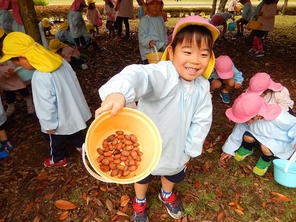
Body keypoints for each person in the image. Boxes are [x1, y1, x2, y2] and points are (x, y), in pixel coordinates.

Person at [96, 15, 220, 221]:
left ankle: (167, 193)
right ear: (171, 52)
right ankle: (140, 200)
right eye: (187, 52)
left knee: (172, 172)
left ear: (210, 58)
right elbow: (139, 75)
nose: (195, 60)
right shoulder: (164, 74)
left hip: (177, 146)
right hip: (144, 144)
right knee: (143, 174)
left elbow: (202, 119)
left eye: (203, 54)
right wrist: (119, 91)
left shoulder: (202, 86)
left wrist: (191, 147)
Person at [0, 32, 92, 167]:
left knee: (54, 140)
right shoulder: (60, 61)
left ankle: (58, 159)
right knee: (75, 128)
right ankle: (82, 147)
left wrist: (49, 124)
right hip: (73, 109)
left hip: (57, 119)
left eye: (16, 62)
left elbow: (46, 105)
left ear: (23, 58)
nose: (19, 66)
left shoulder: (40, 76)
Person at [219, 93, 296, 176]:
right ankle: (247, 148)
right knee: (247, 137)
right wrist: (229, 149)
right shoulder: (250, 114)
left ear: (257, 116)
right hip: (258, 134)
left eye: (245, 119)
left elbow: (294, 125)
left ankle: (265, 160)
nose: (243, 121)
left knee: (265, 148)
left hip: (278, 139)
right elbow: (238, 131)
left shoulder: (278, 116)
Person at [0, 28, 34, 116]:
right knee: (9, 94)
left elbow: (16, 60)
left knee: (23, 91)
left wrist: (13, 68)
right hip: (5, 77)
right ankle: (11, 107)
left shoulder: (9, 47)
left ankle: (30, 105)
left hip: (15, 75)